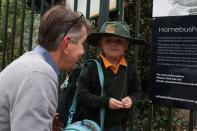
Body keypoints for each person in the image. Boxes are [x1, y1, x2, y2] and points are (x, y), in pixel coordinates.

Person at [0, 4, 91, 131]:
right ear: (66, 44)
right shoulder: (40, 74)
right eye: (82, 43)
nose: (82, 51)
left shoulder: (31, 63)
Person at [76, 21, 142, 131]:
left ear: (126, 45)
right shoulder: (91, 67)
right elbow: (81, 95)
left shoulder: (130, 69)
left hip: (119, 127)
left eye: (119, 41)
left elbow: (137, 93)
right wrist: (106, 102)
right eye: (108, 40)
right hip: (92, 126)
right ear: (101, 44)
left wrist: (131, 99)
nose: (113, 44)